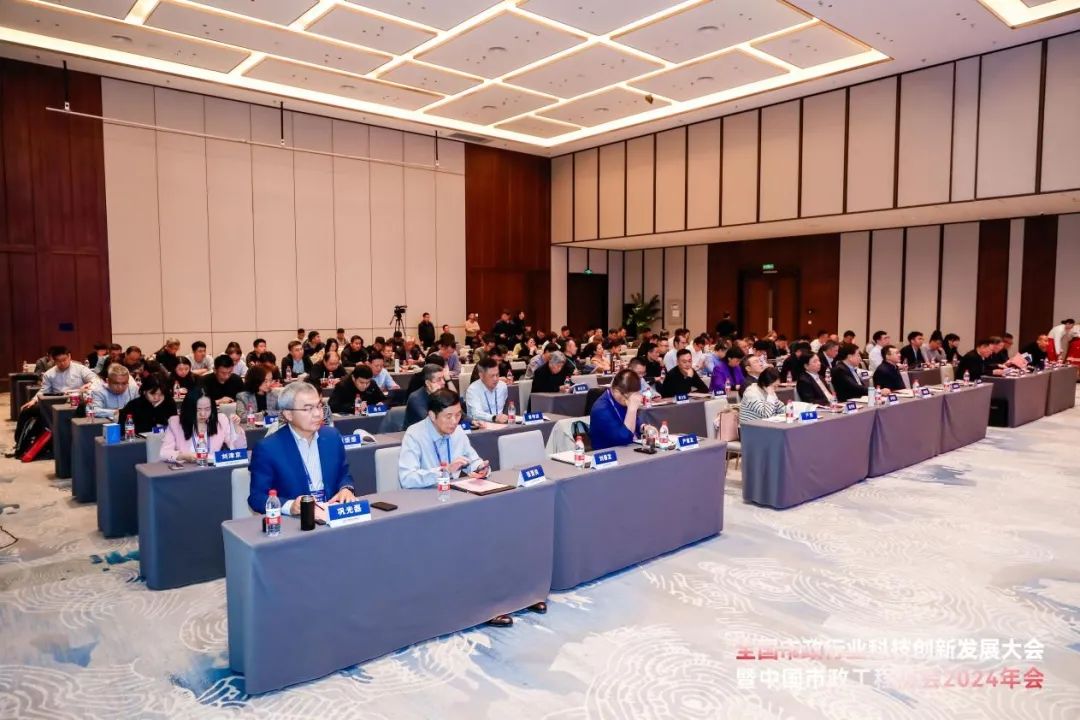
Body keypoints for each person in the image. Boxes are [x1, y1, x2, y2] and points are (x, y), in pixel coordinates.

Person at [247, 381, 356, 516]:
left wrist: (346, 489)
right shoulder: (267, 448)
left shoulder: (332, 436)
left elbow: (344, 474)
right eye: (308, 409)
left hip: (332, 514)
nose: (317, 414)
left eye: (319, 406)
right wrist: (290, 506)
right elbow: (257, 498)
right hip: (296, 521)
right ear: (288, 414)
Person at [399, 388, 489, 488]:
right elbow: (407, 479)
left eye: (458, 415)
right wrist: (444, 471)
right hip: (426, 493)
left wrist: (480, 468)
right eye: (448, 416)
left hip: (452, 492)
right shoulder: (414, 435)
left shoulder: (458, 431)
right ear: (432, 416)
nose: (454, 421)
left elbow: (472, 460)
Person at [159, 386, 246, 462]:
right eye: (198, 409)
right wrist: (183, 456)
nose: (203, 414)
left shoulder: (221, 420)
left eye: (207, 409)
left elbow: (239, 450)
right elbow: (164, 453)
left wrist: (236, 428)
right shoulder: (175, 423)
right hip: (186, 471)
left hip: (213, 470)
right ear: (189, 408)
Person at [20, 346, 99, 413]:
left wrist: (89, 384)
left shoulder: (80, 369)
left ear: (69, 356)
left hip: (78, 401)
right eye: (59, 361)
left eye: (64, 360)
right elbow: (43, 391)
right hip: (58, 402)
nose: (62, 363)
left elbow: (96, 379)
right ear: (54, 361)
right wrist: (33, 400)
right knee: (27, 410)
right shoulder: (49, 374)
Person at [589, 369, 645, 450]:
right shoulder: (601, 409)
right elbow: (624, 438)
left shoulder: (621, 400)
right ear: (616, 391)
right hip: (610, 452)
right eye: (629, 396)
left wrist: (643, 428)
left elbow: (635, 421)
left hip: (628, 449)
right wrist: (632, 409)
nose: (632, 399)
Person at [465, 357, 510, 423]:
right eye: (492, 376)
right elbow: (476, 414)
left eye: (497, 375)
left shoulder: (502, 386)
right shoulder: (473, 389)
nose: (495, 379)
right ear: (481, 376)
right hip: (480, 426)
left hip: (501, 425)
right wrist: (494, 418)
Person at [404, 364, 449, 429]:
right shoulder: (415, 398)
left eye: (443, 378)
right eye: (439, 379)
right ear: (428, 383)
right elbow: (431, 422)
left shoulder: (443, 393)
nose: (443, 382)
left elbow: (459, 413)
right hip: (416, 433)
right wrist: (435, 396)